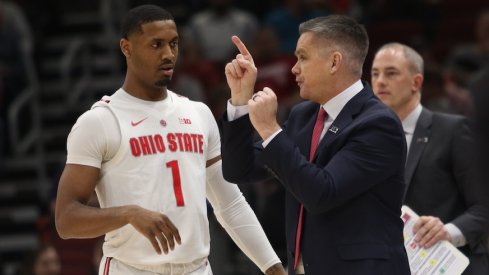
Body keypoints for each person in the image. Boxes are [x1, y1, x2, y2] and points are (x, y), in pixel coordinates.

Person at [54, 5, 285, 275]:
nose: (168, 54)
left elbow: (230, 204)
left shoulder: (198, 113)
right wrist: (128, 213)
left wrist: (274, 269)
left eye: (173, 44)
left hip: (196, 268)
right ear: (126, 48)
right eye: (156, 44)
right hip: (131, 268)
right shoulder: (100, 121)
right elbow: (66, 219)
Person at [219, 15, 410, 274]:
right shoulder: (303, 116)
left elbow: (322, 194)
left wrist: (269, 129)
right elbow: (238, 170)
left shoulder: (377, 124)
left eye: (303, 57)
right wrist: (240, 101)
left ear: (334, 62)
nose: (294, 68)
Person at [371, 42, 489, 274]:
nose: (380, 81)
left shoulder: (453, 130)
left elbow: (484, 205)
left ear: (417, 82)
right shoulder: (365, 141)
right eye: (375, 74)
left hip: (451, 265)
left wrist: (448, 231)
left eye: (391, 73)